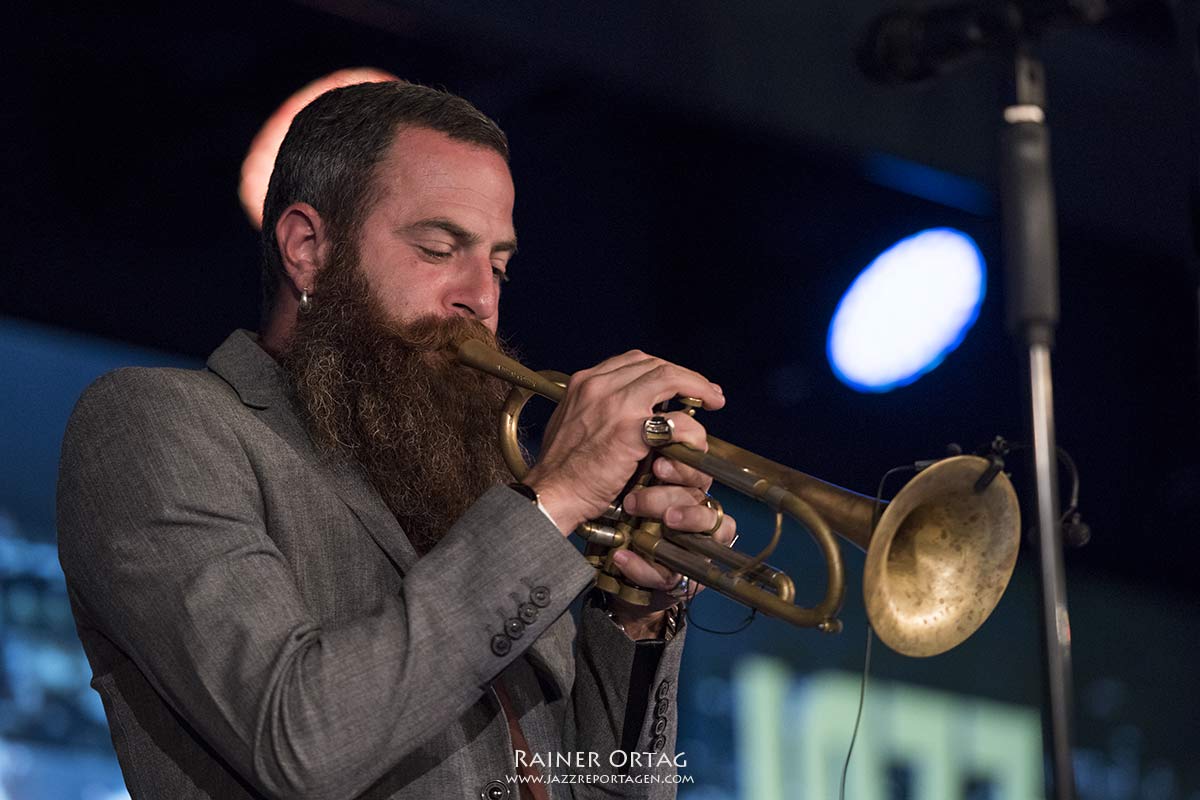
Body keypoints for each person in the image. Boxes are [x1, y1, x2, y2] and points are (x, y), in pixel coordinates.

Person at [56, 80, 736, 800]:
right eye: (440, 248)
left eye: (499, 265)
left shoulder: (474, 488)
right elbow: (299, 742)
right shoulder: (155, 423)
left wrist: (635, 610)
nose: (482, 296)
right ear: (308, 247)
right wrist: (556, 498)